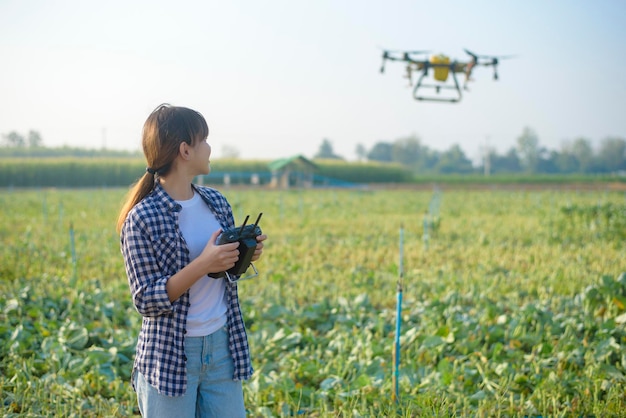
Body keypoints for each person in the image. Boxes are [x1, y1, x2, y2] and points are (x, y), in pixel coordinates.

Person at [116, 103, 267, 417]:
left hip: (223, 346)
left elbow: (226, 277)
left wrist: (242, 254)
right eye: (204, 140)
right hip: (170, 354)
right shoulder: (142, 218)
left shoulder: (215, 202)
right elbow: (146, 299)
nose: (210, 148)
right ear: (185, 150)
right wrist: (204, 263)